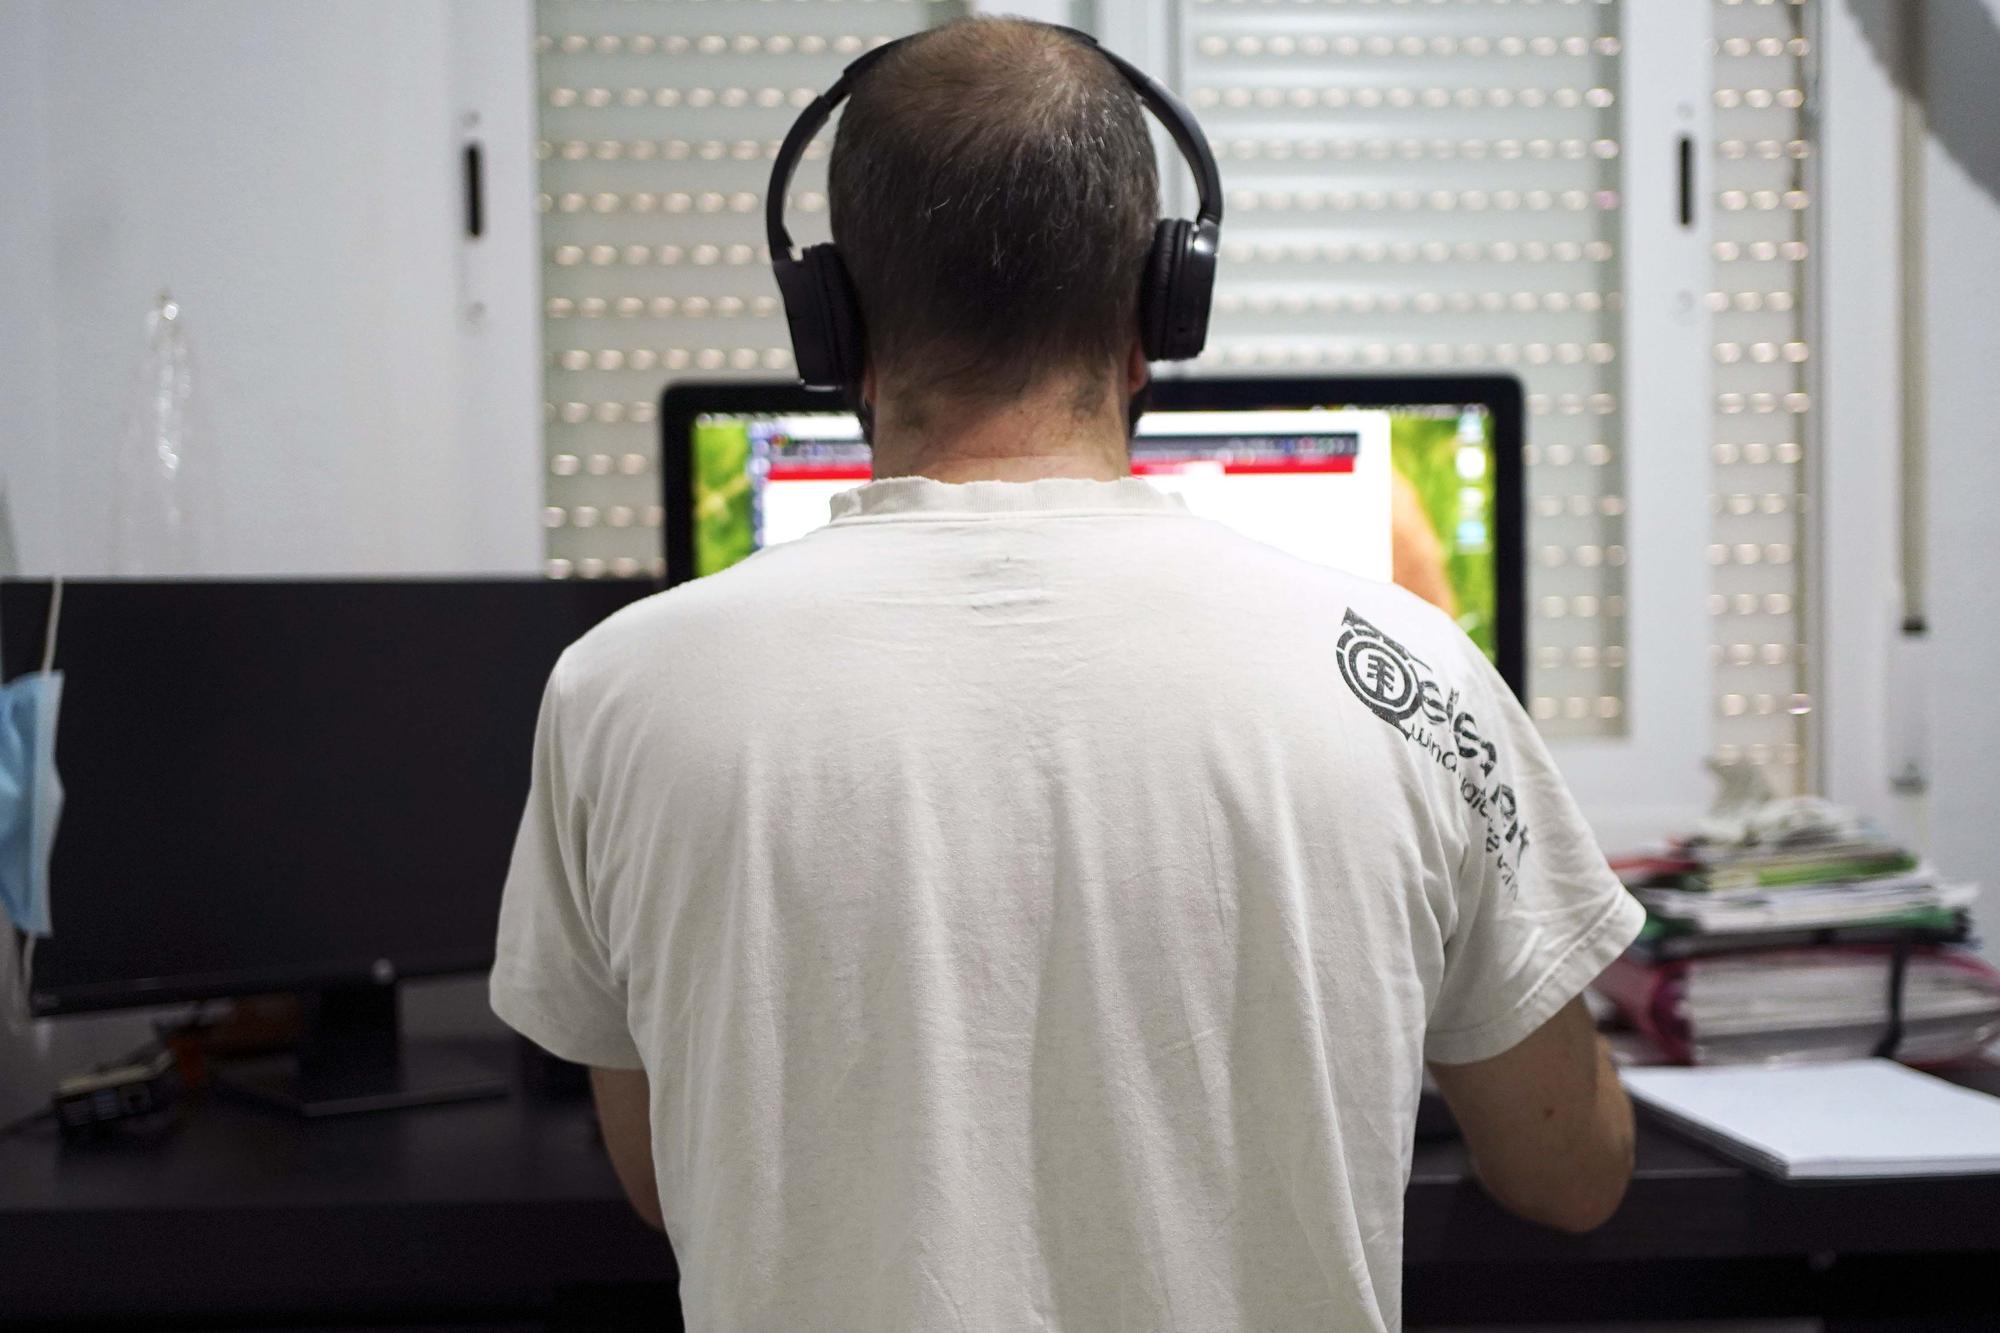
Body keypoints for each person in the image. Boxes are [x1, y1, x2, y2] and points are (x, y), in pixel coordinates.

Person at [491, 17, 1644, 1331]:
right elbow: (1570, 1172)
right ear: (1161, 301)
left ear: (830, 317)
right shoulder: (1405, 676)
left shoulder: (618, 692)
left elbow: (660, 1176)